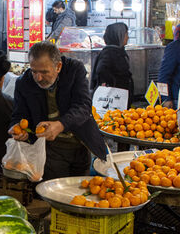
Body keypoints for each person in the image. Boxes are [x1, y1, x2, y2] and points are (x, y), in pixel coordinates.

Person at [10, 42, 107, 180]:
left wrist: (60, 125)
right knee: (55, 191)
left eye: (44, 72)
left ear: (58, 66)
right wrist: (16, 128)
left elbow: (83, 106)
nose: (38, 78)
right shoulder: (24, 83)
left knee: (80, 191)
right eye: (34, 71)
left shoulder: (74, 70)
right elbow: (18, 114)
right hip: (50, 151)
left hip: (80, 143)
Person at [90, 22, 134, 107]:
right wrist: (113, 84)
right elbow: (101, 70)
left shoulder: (117, 51)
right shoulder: (110, 52)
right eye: (126, 34)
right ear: (119, 36)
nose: (128, 37)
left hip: (119, 99)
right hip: (113, 100)